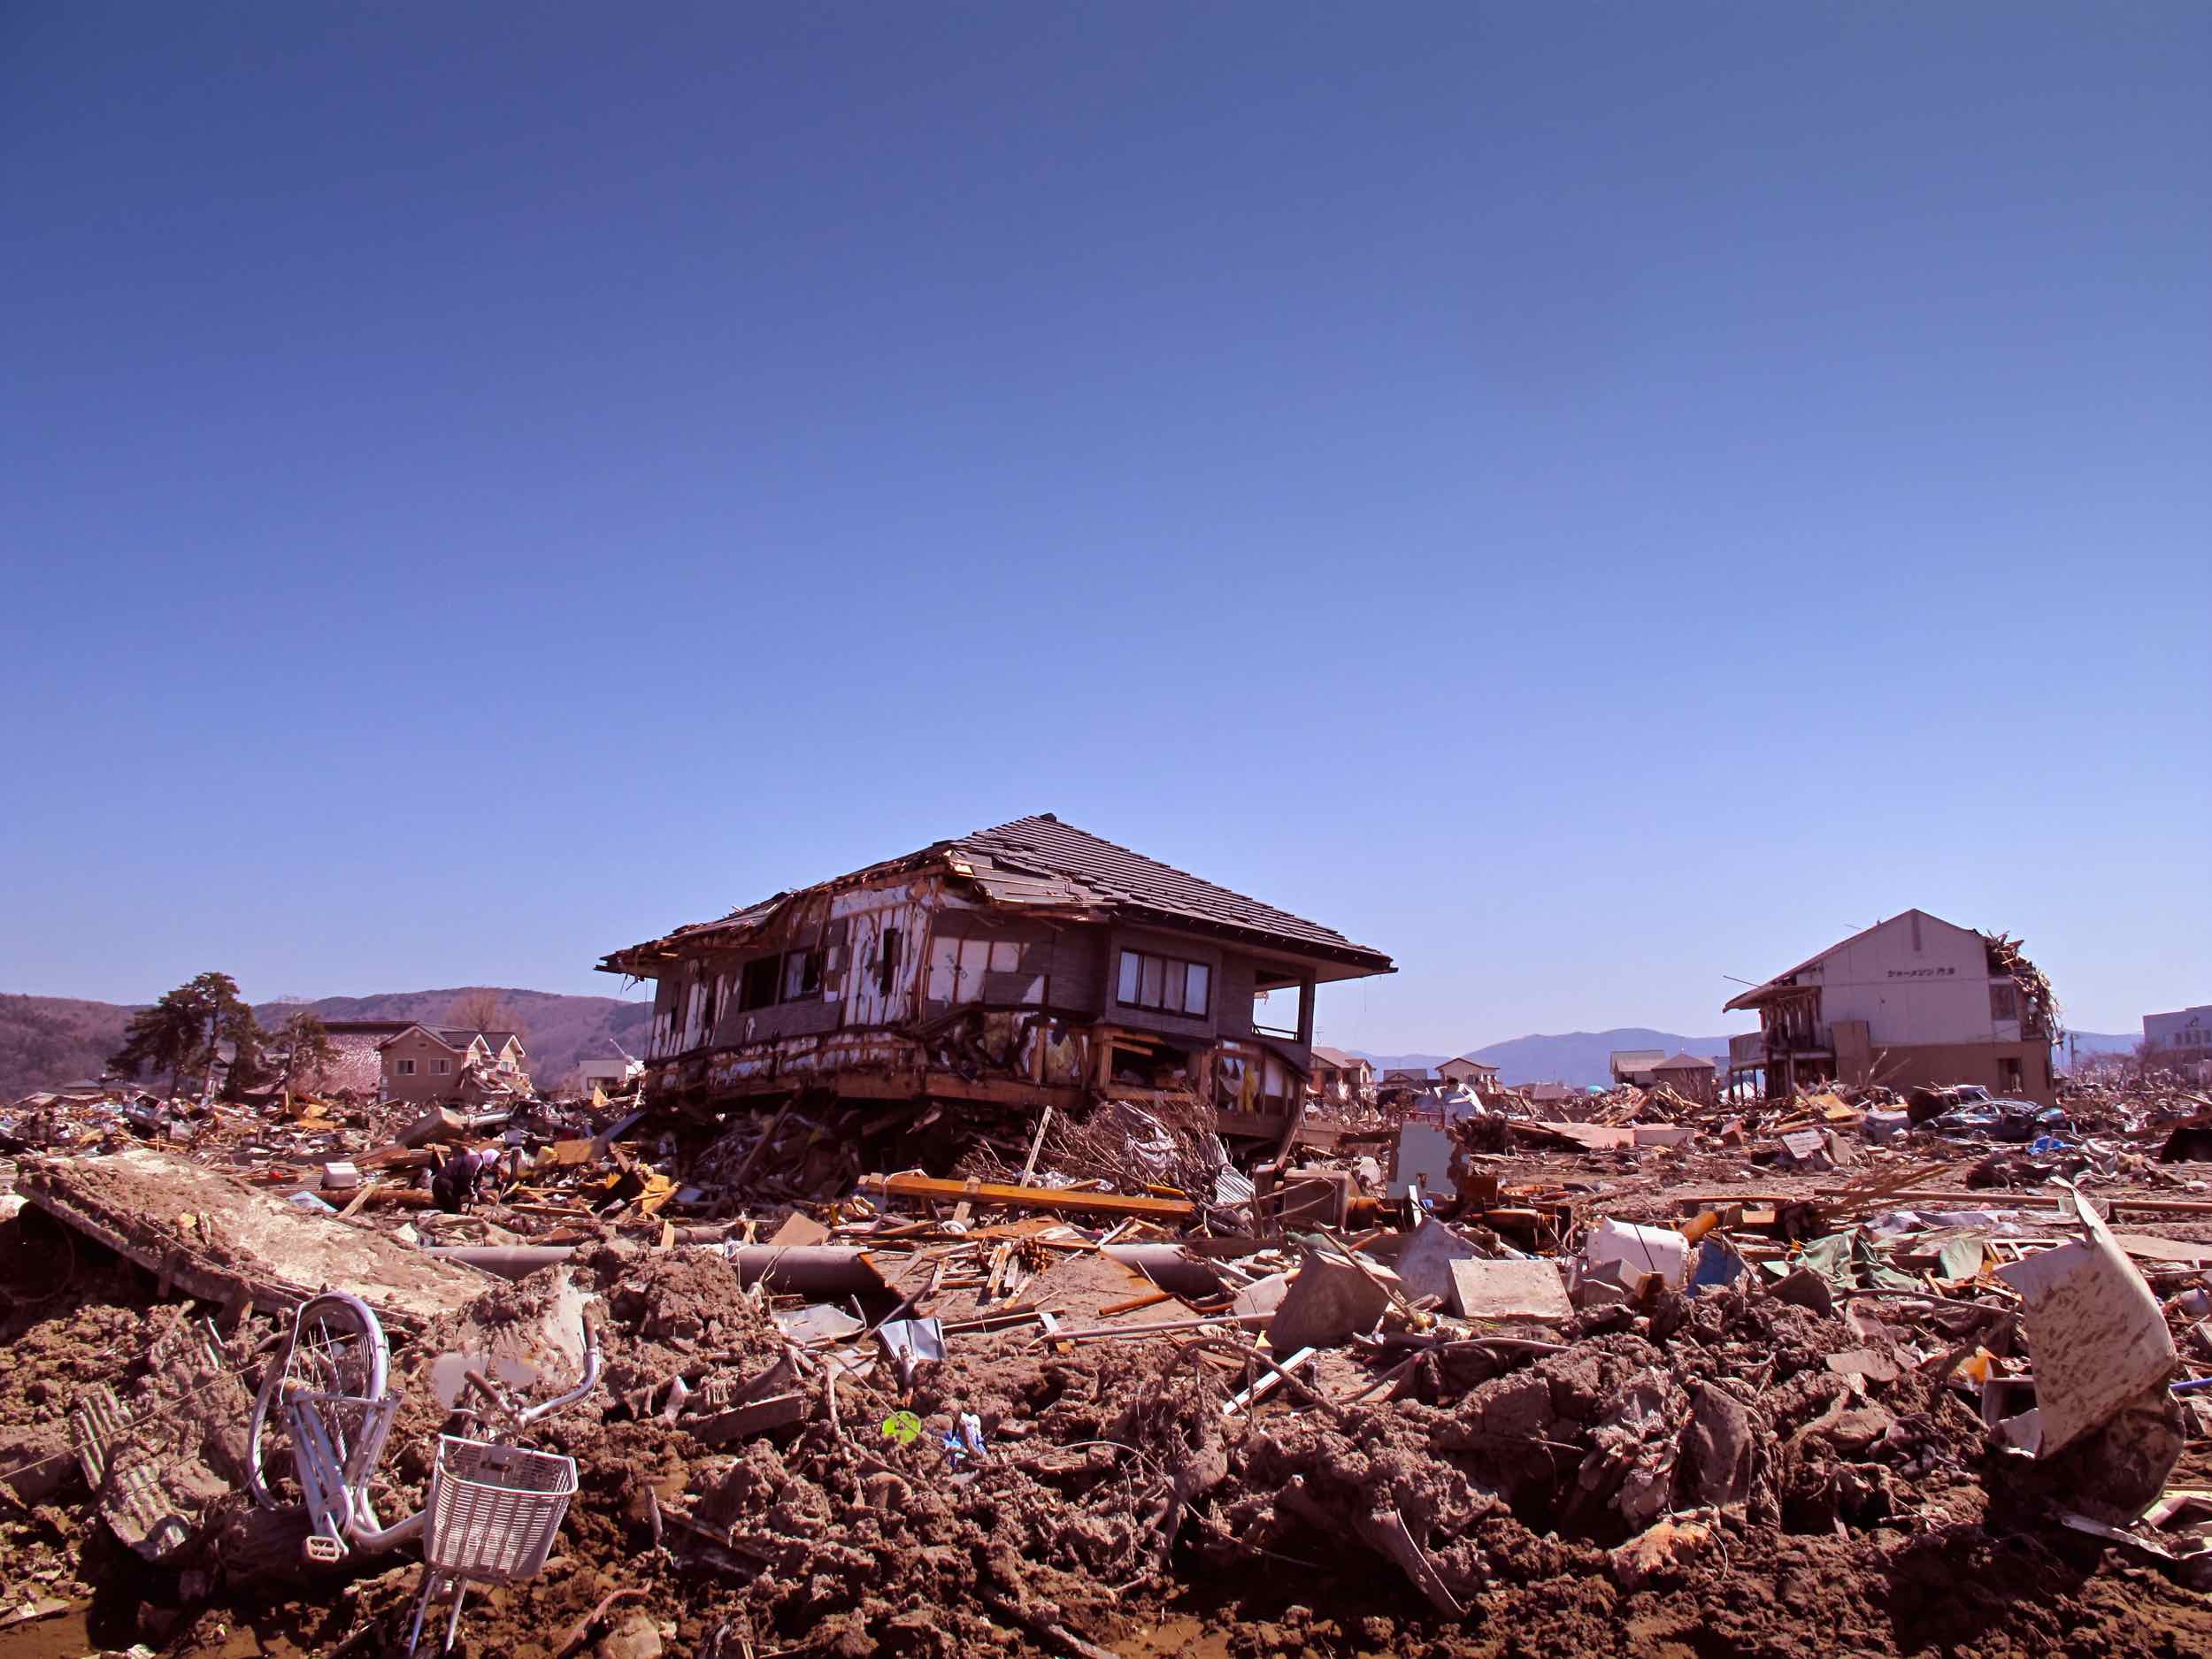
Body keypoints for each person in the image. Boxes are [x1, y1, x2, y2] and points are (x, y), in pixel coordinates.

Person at [431, 1146, 503, 1212]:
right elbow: (466, 1181)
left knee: (456, 1210)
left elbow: (475, 1186)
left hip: (448, 1186)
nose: (493, 1167)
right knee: (452, 1211)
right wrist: (472, 1195)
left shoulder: (479, 1167)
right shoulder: (475, 1162)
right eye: (494, 1163)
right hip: (442, 1185)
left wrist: (485, 1196)